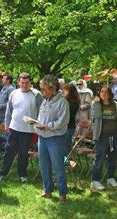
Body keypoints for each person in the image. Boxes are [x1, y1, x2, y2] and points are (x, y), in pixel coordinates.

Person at [0, 72, 42, 183]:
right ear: (18, 82)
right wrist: (7, 125)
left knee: (23, 153)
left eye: (27, 83)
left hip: (28, 130)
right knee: (9, 151)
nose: (24, 85)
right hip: (14, 127)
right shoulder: (14, 93)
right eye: (22, 83)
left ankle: (23, 175)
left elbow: (42, 111)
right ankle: (3, 173)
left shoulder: (36, 94)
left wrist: (38, 125)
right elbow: (9, 110)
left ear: (30, 82)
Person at [34, 75, 69, 203]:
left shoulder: (62, 102)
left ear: (52, 88)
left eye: (44, 89)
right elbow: (42, 117)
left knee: (58, 166)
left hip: (55, 138)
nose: (42, 91)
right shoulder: (45, 100)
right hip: (42, 138)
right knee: (44, 165)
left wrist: (47, 126)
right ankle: (47, 191)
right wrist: (36, 124)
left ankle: (62, 194)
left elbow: (62, 122)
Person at [90, 85, 117, 191]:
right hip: (102, 136)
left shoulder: (116, 105)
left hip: (115, 135)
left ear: (110, 94)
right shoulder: (96, 105)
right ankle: (95, 180)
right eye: (101, 92)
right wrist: (97, 103)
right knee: (99, 158)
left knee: (113, 158)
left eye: (106, 92)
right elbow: (96, 116)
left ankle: (110, 177)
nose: (104, 94)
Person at [62, 84, 80, 158]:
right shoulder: (68, 101)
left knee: (66, 148)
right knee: (65, 147)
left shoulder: (72, 102)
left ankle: (68, 164)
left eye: (66, 90)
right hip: (66, 127)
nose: (64, 92)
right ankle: (69, 164)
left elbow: (67, 114)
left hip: (69, 127)